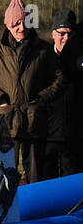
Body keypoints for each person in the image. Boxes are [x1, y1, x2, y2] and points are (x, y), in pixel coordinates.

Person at [0, 0, 66, 183]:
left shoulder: (44, 50)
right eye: (16, 24)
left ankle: (38, 211)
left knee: (37, 178)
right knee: (1, 178)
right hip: (4, 123)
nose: (21, 28)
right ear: (8, 25)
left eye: (24, 23)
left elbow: (59, 79)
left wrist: (41, 99)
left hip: (35, 123)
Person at [44, 9, 83, 177]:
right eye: (61, 33)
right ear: (53, 34)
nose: (65, 38)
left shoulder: (80, 60)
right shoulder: (42, 58)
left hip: (74, 136)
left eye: (69, 34)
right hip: (47, 136)